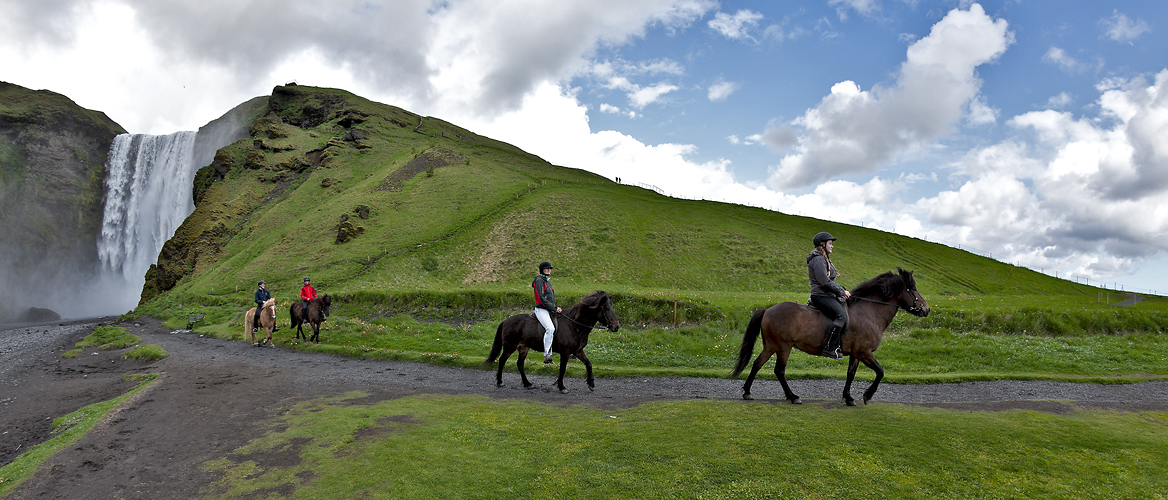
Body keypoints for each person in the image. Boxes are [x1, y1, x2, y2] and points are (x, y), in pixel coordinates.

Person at [807, 232, 850, 360]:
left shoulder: (824, 258)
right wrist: (841, 292)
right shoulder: (818, 259)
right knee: (841, 315)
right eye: (830, 243)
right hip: (821, 296)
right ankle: (829, 347)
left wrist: (841, 291)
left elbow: (830, 281)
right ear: (822, 244)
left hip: (827, 294)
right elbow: (824, 282)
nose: (832, 246)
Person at [532, 261, 561, 364]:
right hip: (541, 310)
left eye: (550, 268)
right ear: (542, 270)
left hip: (549, 309)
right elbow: (541, 298)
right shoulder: (539, 281)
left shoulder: (547, 281)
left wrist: (555, 307)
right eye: (547, 268)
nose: (549, 270)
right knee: (550, 328)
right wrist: (554, 307)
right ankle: (547, 355)